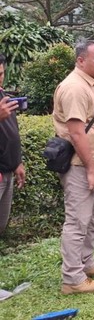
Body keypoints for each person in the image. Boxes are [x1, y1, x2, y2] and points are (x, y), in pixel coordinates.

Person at [52, 40, 94, 294]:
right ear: (81, 60)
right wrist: (91, 169)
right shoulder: (74, 88)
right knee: (78, 221)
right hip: (81, 167)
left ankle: (86, 263)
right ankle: (72, 278)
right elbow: (77, 133)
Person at [0, 53, 26, 235]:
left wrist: (17, 161)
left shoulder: (3, 95)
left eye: (0, 73)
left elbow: (12, 131)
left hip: (7, 170)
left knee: (1, 224)